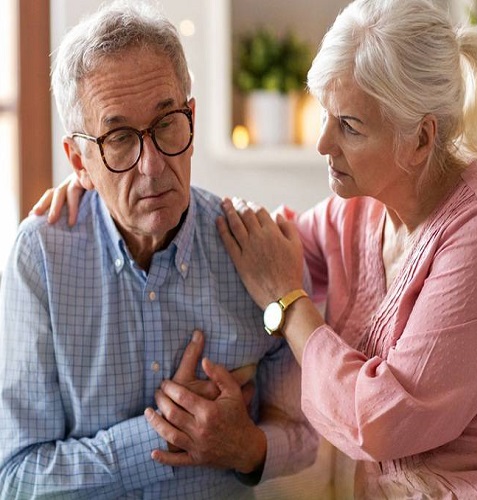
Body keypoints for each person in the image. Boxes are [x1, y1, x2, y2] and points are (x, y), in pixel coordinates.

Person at [30, 0, 477, 497]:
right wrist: (100, 182)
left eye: (350, 125)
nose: (321, 142)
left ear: (421, 138)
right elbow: (252, 238)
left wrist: (288, 304)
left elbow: (382, 425)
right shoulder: (359, 212)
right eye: (324, 113)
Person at [0, 2, 318, 499]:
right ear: (78, 161)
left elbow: (307, 435)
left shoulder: (256, 250)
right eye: (120, 138)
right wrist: (164, 434)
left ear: (190, 118)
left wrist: (248, 447)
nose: (151, 166)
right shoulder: (40, 257)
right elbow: (16, 477)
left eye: (167, 122)